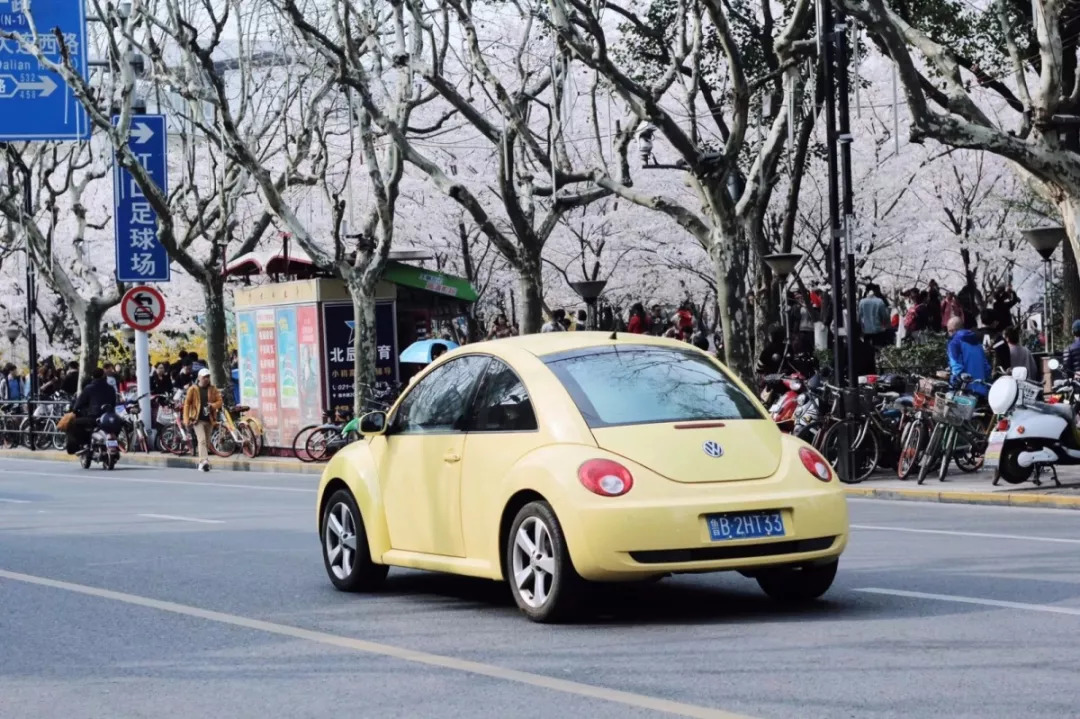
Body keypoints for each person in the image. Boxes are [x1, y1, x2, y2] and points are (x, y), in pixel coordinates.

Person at [66, 368, 117, 454]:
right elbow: (113, 402)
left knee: (72, 423)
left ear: (93, 376)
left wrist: (73, 410)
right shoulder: (111, 388)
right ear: (104, 376)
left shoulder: (89, 388)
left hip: (94, 417)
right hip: (109, 417)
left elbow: (79, 402)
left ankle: (79, 445)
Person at [183, 368, 223, 472]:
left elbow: (219, 402)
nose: (206, 379)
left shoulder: (213, 389)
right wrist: (186, 419)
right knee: (202, 440)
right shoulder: (193, 389)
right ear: (199, 378)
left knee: (207, 442)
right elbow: (187, 404)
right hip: (197, 419)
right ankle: (204, 461)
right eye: (204, 377)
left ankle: (202, 463)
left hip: (209, 419)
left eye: (208, 377)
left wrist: (213, 405)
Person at [946, 316, 991, 396]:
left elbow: (956, 368)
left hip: (965, 392)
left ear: (952, 330)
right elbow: (987, 368)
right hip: (982, 390)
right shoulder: (977, 343)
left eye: (949, 331)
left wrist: (953, 383)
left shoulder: (954, 343)